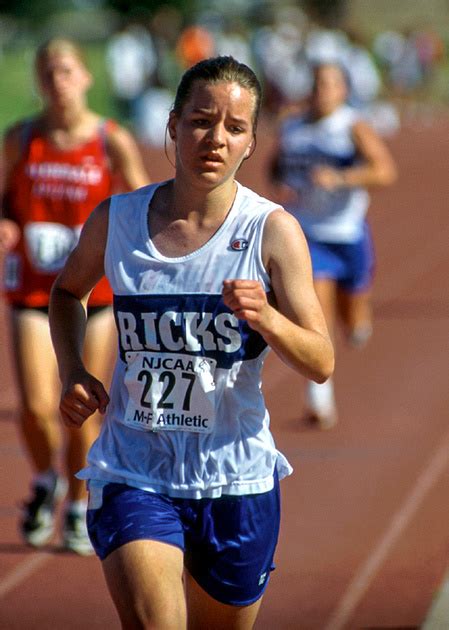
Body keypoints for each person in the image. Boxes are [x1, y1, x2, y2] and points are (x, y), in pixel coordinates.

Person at [49, 56, 334, 628]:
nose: (215, 139)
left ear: (252, 143)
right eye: (202, 121)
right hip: (135, 469)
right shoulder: (118, 220)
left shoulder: (271, 231)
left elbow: (321, 361)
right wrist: (74, 369)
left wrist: (270, 320)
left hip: (235, 477)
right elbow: (66, 293)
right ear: (173, 126)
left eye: (234, 127)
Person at [0, 38, 150, 555]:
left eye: (65, 70)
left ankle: (82, 507)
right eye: (47, 73)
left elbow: (143, 206)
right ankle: (46, 481)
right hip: (34, 291)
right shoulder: (21, 138)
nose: (56, 81)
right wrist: (6, 226)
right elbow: (2, 201)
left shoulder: (112, 141)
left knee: (80, 403)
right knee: (36, 407)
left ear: (86, 77)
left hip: (93, 292)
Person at [269, 61, 397, 429]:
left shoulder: (352, 126)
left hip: (348, 233)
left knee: (354, 325)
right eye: (317, 82)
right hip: (308, 234)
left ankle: (358, 311)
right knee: (316, 314)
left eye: (330, 83)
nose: (322, 89)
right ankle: (320, 401)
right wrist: (282, 182)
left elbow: (385, 171)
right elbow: (275, 167)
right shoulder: (291, 126)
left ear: (343, 90)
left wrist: (341, 177)